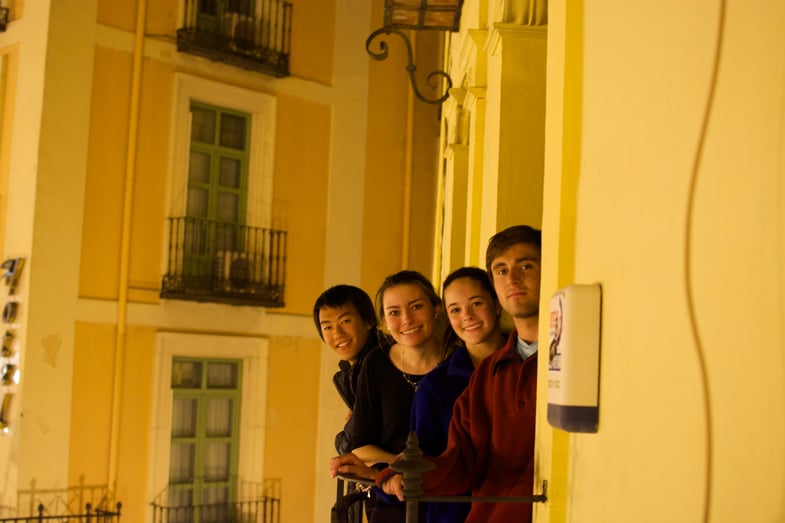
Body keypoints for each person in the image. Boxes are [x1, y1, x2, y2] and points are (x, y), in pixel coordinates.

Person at [331, 225, 542, 523]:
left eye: (525, 265)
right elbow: (455, 460)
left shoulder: (562, 355)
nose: (513, 280)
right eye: (502, 271)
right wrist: (395, 474)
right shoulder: (478, 381)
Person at [347, 270, 447, 523]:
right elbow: (361, 445)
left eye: (416, 307)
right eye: (394, 312)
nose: (407, 319)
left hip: (452, 498)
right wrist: (402, 466)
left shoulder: (458, 361)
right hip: (394, 498)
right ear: (384, 322)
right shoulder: (376, 363)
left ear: (436, 308)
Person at [410, 266, 506, 523]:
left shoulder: (530, 365)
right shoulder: (435, 387)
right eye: (455, 309)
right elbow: (424, 463)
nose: (467, 316)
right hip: (456, 516)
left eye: (476, 303)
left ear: (497, 304)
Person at [314, 284, 386, 522]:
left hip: (394, 482)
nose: (337, 333)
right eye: (327, 327)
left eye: (345, 321)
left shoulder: (377, 362)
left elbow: (353, 443)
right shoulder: (354, 370)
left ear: (367, 321)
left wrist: (343, 437)